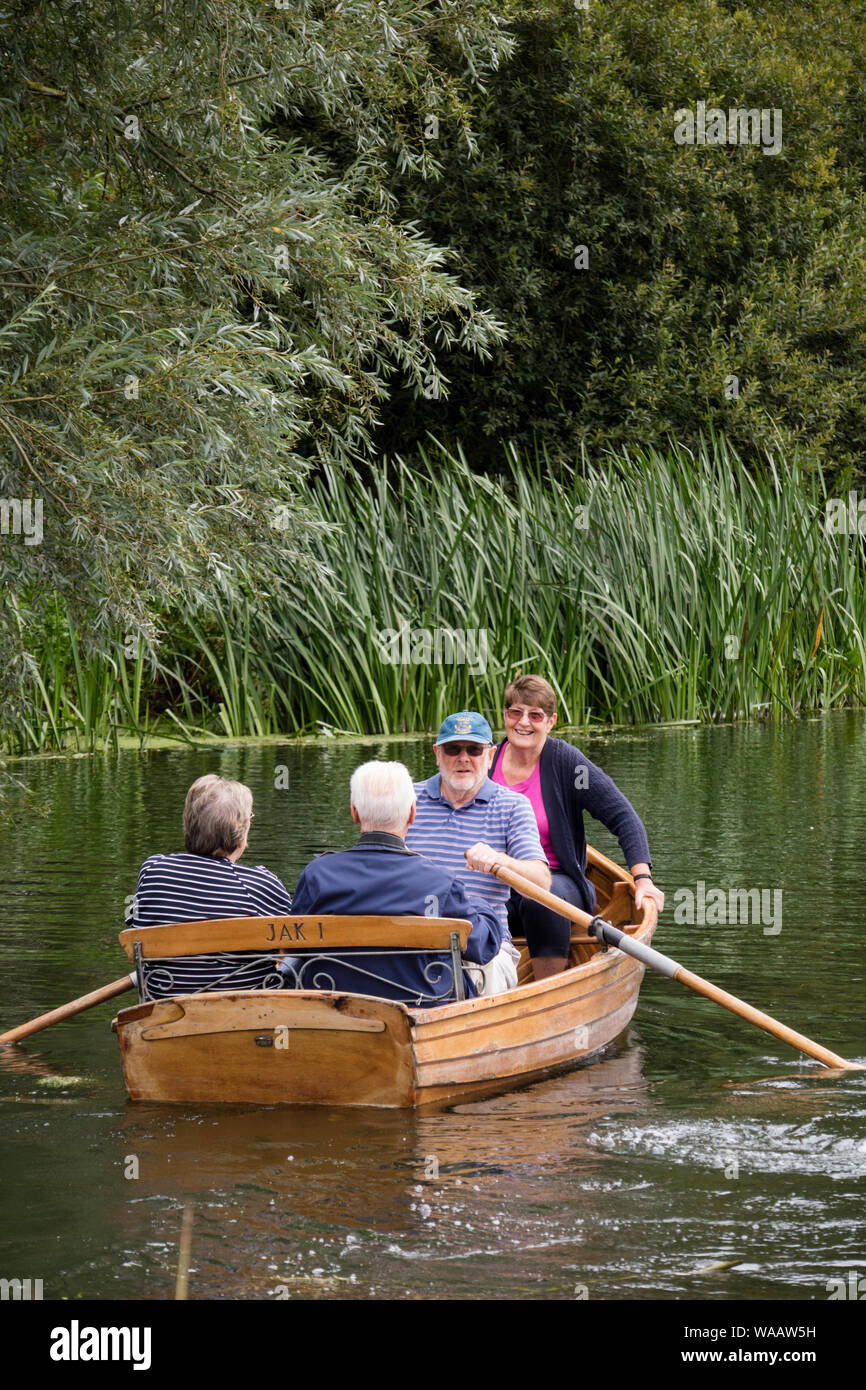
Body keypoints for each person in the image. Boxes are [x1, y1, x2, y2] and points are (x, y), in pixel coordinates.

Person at [490, 674, 664, 978]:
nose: (524, 722)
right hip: (496, 884)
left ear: (551, 721)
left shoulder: (567, 764)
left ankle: (548, 988)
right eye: (515, 712)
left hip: (557, 882)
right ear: (505, 715)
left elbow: (623, 816)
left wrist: (643, 879)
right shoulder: (485, 761)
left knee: (541, 897)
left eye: (535, 715)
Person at [289, 760, 502, 1003]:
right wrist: (482, 906)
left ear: (354, 812)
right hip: (422, 1012)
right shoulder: (440, 882)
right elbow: (483, 947)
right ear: (413, 812)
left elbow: (296, 945)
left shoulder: (317, 875)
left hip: (335, 1010)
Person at [404, 710, 551, 993]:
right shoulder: (408, 800)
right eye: (453, 749)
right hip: (413, 942)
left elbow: (541, 883)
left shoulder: (512, 806)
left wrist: (499, 860)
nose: (463, 758)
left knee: (486, 970)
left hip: (485, 945)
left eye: (474, 749)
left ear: (490, 755)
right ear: (437, 753)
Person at [126, 774, 293, 997]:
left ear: (188, 824)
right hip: (249, 1014)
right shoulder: (262, 883)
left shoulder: (154, 870)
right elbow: (294, 939)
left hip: (166, 1013)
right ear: (240, 836)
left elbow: (136, 921)